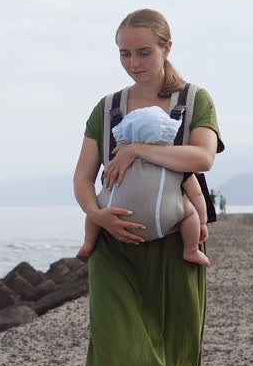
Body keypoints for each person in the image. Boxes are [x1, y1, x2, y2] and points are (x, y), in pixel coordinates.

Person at [63, 8, 224, 366]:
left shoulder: (195, 100)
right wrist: (99, 216)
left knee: (172, 350)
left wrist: (135, 152)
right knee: (116, 351)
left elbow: (201, 159)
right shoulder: (107, 107)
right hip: (116, 250)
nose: (133, 62)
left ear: (166, 48)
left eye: (143, 51)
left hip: (176, 249)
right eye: (124, 53)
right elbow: (82, 177)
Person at [75, 104, 212, 266]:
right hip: (163, 221)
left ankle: (88, 243)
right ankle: (191, 250)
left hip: (115, 216)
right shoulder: (174, 163)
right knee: (190, 211)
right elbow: (196, 194)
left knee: (96, 205)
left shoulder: (117, 161)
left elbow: (100, 181)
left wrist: (95, 212)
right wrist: (202, 222)